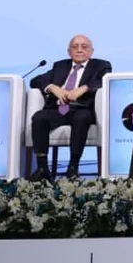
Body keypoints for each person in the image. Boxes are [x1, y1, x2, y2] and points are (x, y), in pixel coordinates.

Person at [29, 35, 112, 180]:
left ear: (91, 51)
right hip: (58, 109)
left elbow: (105, 81)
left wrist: (83, 88)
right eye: (75, 47)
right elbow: (35, 80)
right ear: (69, 51)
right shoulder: (60, 66)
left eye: (84, 47)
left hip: (82, 108)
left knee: (81, 118)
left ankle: (73, 167)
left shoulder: (100, 66)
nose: (79, 50)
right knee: (39, 117)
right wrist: (53, 87)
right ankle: (42, 168)